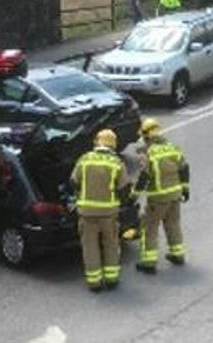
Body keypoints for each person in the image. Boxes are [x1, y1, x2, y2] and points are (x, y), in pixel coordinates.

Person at [71, 129, 128, 291]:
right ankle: (112, 279)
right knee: (110, 244)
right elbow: (124, 189)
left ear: (97, 142)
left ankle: (94, 282)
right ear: (113, 145)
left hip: (87, 213)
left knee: (90, 247)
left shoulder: (84, 160)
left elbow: (73, 182)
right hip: (109, 214)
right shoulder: (117, 163)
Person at [135, 118, 190, 274]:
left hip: (158, 197)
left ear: (145, 135)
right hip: (175, 194)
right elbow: (184, 168)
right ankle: (177, 254)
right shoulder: (172, 147)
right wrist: (185, 189)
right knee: (173, 223)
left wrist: (134, 195)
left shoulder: (146, 152)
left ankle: (148, 262)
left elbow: (144, 177)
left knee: (149, 227)